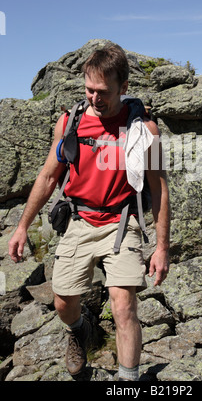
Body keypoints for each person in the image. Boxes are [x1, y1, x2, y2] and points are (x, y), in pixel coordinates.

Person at [8, 43, 170, 381]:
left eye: (103, 91)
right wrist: (22, 226)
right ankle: (81, 330)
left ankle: (128, 381)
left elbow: (159, 189)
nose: (95, 97)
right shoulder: (70, 123)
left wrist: (162, 247)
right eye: (89, 89)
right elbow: (49, 175)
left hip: (122, 223)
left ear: (124, 88)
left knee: (123, 306)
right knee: (63, 302)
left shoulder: (145, 130)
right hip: (80, 221)